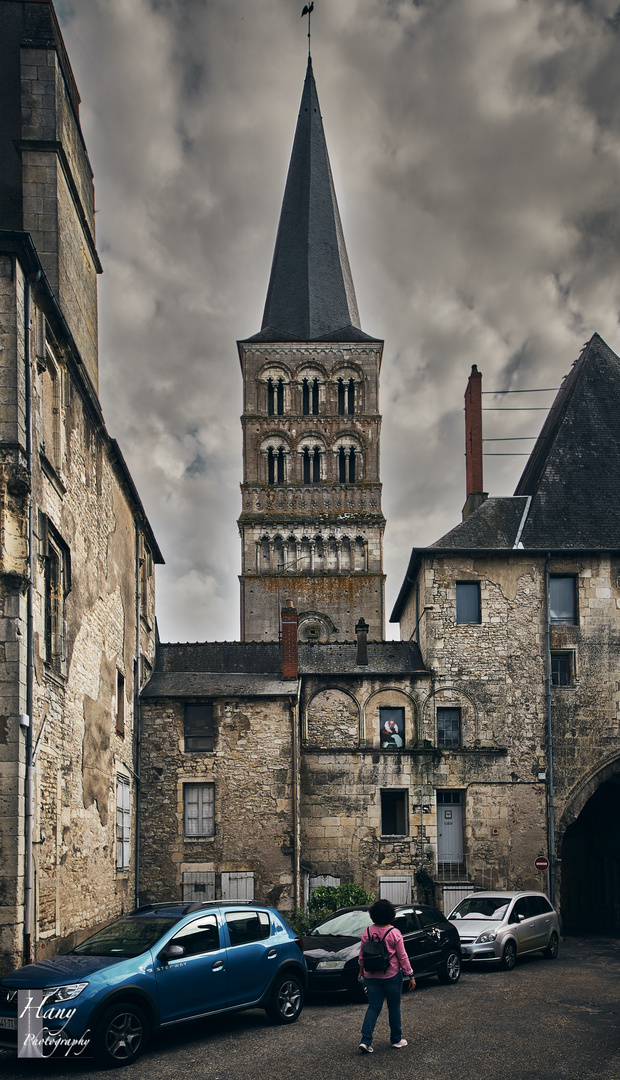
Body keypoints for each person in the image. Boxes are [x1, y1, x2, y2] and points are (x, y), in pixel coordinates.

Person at [358, 898, 415, 1053]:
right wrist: (410, 974)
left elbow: (362, 955)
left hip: (371, 976)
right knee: (394, 1007)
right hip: (391, 976)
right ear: (391, 915)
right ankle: (396, 1039)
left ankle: (365, 1040)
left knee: (373, 1007)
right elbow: (402, 957)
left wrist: (361, 971)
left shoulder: (367, 931)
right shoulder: (394, 933)